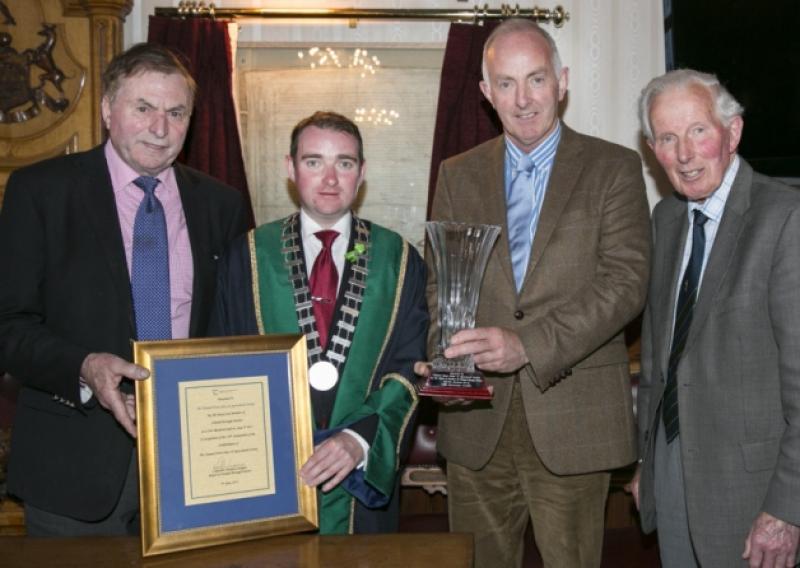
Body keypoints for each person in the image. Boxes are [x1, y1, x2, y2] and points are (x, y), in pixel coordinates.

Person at [415, 18, 651, 568]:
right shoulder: (457, 172)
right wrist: (446, 367)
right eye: (505, 83)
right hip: (476, 425)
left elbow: (625, 283)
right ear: (484, 92)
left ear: (562, 81)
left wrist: (528, 345)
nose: (522, 100)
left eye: (536, 79)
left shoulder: (614, 168)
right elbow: (442, 285)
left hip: (574, 420)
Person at [0, 43, 248, 536]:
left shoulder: (223, 205)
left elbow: (237, 327)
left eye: (176, 112)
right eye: (144, 108)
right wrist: (84, 367)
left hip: (196, 466)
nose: (161, 128)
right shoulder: (40, 191)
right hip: (73, 464)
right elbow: (9, 325)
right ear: (108, 110)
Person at [210, 111, 429, 534]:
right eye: (314, 162)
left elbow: (411, 370)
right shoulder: (247, 258)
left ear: (361, 173)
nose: (330, 178)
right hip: (269, 474)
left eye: (344, 163)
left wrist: (359, 439)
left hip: (361, 478)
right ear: (290, 169)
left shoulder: (399, 261)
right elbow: (221, 368)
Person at [628, 69, 800, 568]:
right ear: (651, 147)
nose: (684, 154)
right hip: (674, 475)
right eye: (667, 137)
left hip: (755, 492)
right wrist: (650, 462)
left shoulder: (785, 218)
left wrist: (787, 509)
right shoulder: (666, 219)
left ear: (733, 133)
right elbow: (660, 353)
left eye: (698, 131)